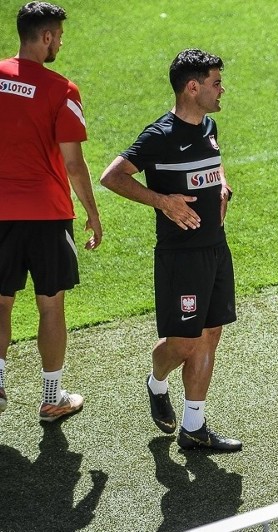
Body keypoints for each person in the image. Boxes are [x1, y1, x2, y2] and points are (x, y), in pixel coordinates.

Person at [100, 49, 240, 451]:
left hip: (216, 248)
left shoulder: (209, 125)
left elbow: (215, 160)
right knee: (183, 343)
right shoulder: (160, 135)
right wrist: (163, 201)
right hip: (181, 256)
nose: (221, 89)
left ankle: (194, 427)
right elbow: (112, 177)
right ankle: (155, 381)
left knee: (210, 334)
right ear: (192, 87)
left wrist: (222, 184)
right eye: (215, 83)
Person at [0, 2, 102, 422]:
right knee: (50, 306)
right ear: (45, 37)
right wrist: (93, 213)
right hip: (46, 214)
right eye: (58, 35)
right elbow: (74, 164)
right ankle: (51, 397)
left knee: (0, 304)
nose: (60, 41)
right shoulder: (63, 90)